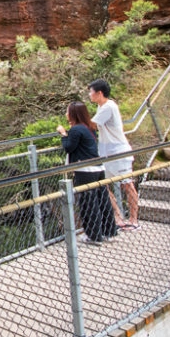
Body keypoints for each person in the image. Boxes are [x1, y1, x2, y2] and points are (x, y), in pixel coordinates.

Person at [57, 101, 117, 243]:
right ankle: (108, 231)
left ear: (73, 114)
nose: (66, 114)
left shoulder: (76, 130)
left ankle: (93, 235)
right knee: (102, 200)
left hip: (85, 170)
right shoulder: (88, 127)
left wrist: (64, 134)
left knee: (88, 203)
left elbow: (69, 147)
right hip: (98, 167)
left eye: (67, 111)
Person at [87, 78, 140, 229]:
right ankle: (118, 216)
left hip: (118, 152)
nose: (90, 95)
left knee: (127, 185)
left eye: (91, 92)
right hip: (106, 153)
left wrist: (76, 119)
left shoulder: (108, 107)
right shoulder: (101, 107)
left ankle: (133, 220)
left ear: (99, 93)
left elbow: (93, 125)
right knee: (103, 185)